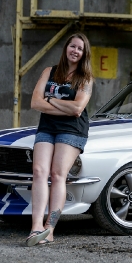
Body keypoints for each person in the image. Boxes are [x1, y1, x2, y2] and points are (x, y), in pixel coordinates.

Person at [25, 33, 93, 246]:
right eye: (72, 46)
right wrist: (64, 106)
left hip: (72, 130)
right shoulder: (49, 71)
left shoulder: (86, 78)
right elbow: (35, 103)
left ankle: (50, 228)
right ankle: (36, 227)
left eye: (80, 49)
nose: (75, 51)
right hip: (47, 128)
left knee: (57, 175)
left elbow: (77, 109)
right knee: (39, 172)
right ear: (66, 48)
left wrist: (50, 99)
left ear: (84, 54)